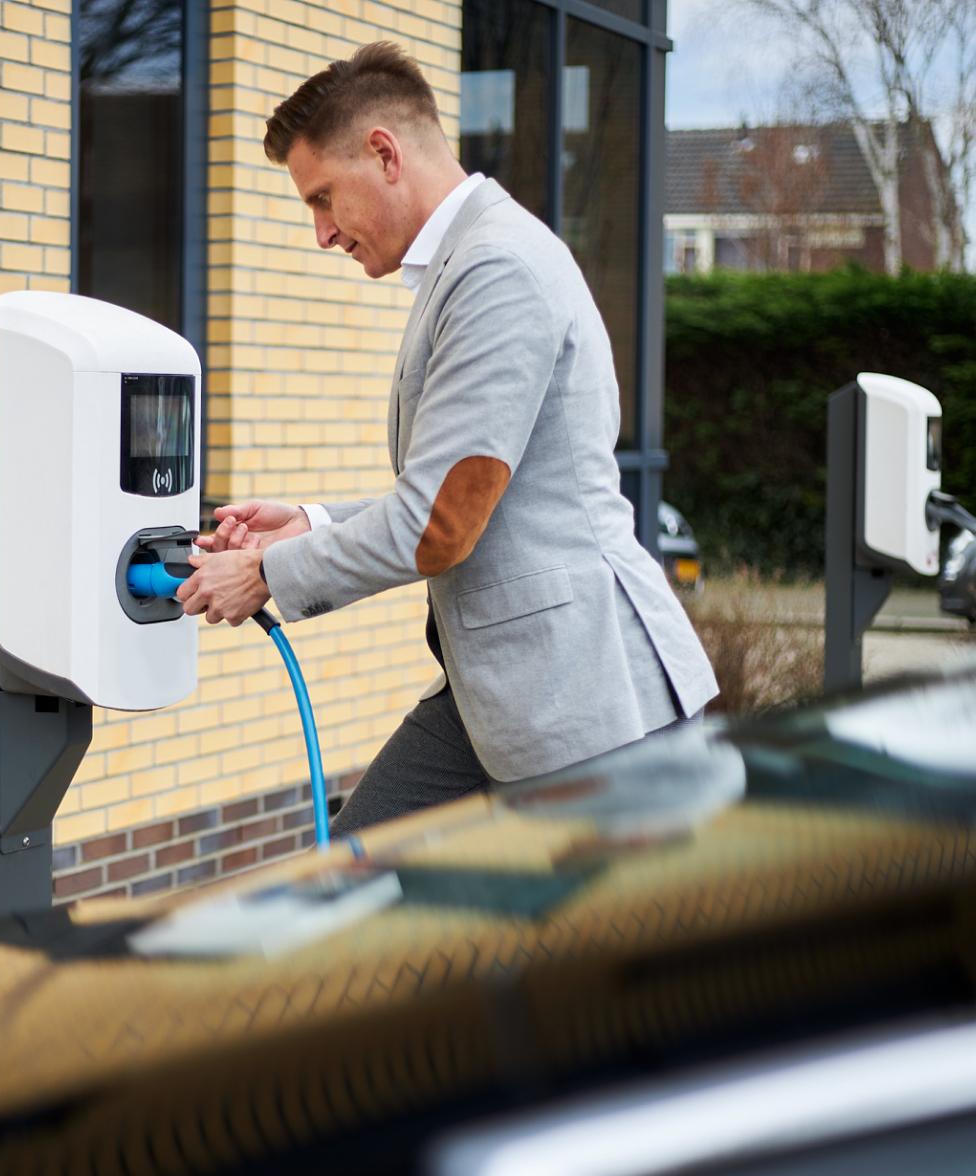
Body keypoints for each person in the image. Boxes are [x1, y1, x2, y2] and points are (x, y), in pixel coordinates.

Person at [175, 42, 718, 833]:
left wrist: (267, 573)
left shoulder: (498, 269)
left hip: (590, 704)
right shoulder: (471, 264)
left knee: (584, 951)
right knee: (359, 884)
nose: (322, 233)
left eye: (323, 198)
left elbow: (441, 524)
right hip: (495, 691)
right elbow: (457, 493)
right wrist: (312, 522)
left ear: (385, 154)